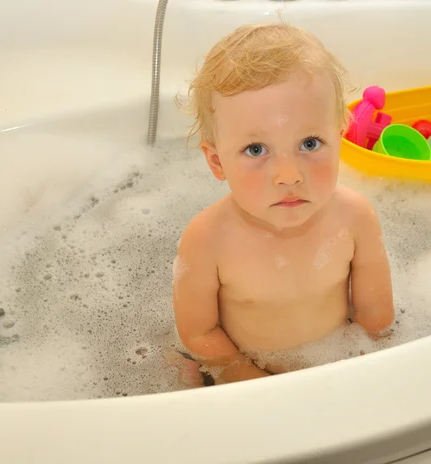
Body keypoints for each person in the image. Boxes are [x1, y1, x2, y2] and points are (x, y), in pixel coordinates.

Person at [167, 23, 394, 387]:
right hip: (247, 379)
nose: (288, 175)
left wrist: (361, 373)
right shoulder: (208, 240)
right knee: (179, 376)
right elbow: (200, 334)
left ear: (339, 139)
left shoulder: (355, 218)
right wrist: (254, 383)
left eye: (309, 143)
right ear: (217, 162)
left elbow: (376, 317)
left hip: (338, 366)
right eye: (256, 150)